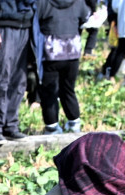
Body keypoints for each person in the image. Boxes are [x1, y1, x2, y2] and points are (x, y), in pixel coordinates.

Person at [0, 0, 36, 145]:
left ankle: (10, 124)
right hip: (3, 26)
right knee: (0, 78)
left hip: (26, 25)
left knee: (19, 80)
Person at [36, 0, 86, 132]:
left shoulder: (43, 2)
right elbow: (85, 17)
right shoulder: (78, 2)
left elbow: (35, 19)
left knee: (49, 92)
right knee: (68, 89)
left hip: (51, 51)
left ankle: (52, 126)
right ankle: (74, 123)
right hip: (72, 51)